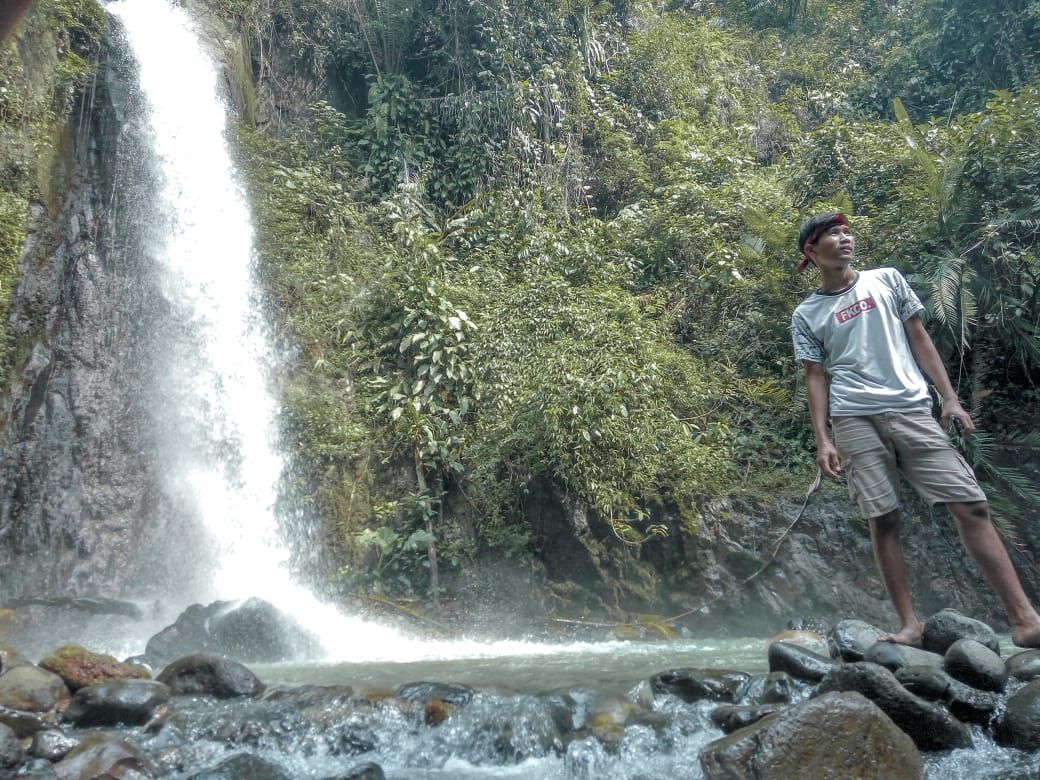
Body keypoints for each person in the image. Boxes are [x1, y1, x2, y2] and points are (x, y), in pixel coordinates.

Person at [790, 212, 1040, 648]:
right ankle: (909, 626)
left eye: (847, 232)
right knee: (883, 518)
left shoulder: (886, 279)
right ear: (812, 251)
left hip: (911, 409)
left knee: (971, 505)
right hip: (854, 418)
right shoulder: (807, 313)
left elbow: (919, 336)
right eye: (834, 234)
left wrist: (951, 399)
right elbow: (815, 375)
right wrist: (823, 438)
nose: (845, 238)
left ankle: (1024, 619)